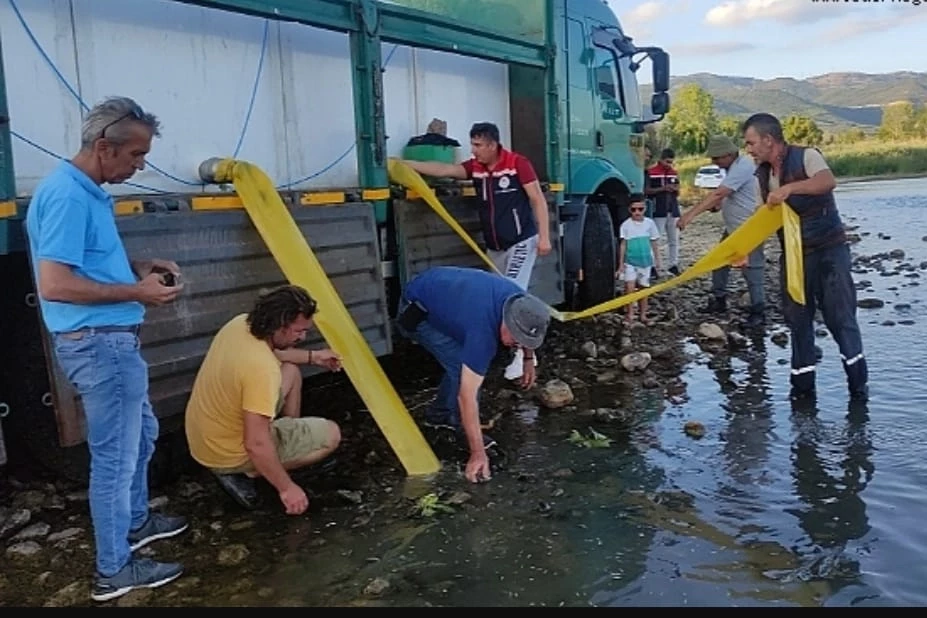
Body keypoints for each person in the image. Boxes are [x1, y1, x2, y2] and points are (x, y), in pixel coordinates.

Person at [25, 96, 188, 602]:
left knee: (143, 435)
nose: (139, 166)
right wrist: (138, 292)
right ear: (103, 147)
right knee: (115, 459)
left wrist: (137, 266)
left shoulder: (86, 191)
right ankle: (113, 570)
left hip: (111, 343)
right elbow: (55, 284)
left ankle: (136, 521)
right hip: (100, 346)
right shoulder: (69, 196)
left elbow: (84, 263)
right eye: (136, 155)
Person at [399, 122, 551, 381]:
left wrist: (544, 237)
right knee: (497, 297)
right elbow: (445, 170)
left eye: (478, 145)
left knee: (512, 295)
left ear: (492, 145)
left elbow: (537, 198)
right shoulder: (476, 168)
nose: (474, 150)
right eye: (472, 144)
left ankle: (525, 357)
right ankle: (502, 347)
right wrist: (407, 165)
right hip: (494, 247)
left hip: (521, 242)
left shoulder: (517, 164)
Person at [742, 112, 868, 402]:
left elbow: (827, 181)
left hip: (829, 250)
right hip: (794, 256)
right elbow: (761, 220)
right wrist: (745, 252)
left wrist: (789, 189)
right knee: (797, 320)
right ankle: (802, 391)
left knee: (840, 318)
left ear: (768, 140)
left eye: (751, 143)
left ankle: (858, 390)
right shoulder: (761, 176)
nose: (748, 149)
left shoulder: (807, 156)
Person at [185, 285, 343, 515]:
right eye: (299, 331)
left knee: (291, 371)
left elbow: (276, 353)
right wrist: (287, 488)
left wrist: (314, 357)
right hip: (229, 453)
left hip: (204, 439)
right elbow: (255, 443)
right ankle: (250, 472)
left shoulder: (239, 325)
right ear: (279, 324)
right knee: (332, 434)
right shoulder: (262, 370)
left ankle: (283, 440)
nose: (303, 337)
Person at [395, 266, 551, 483]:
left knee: (478, 361)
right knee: (461, 369)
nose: (517, 344)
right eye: (515, 339)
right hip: (415, 310)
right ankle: (452, 424)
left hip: (448, 297)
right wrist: (478, 453)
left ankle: (438, 415)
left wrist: (527, 359)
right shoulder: (482, 331)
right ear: (506, 320)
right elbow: (466, 395)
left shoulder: (521, 303)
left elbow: (527, 332)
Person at [677, 135, 766, 327]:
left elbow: (719, 192)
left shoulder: (744, 165)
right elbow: (731, 194)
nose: (714, 162)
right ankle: (719, 300)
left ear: (729, 154)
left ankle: (758, 311)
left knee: (752, 269)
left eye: (717, 158)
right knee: (719, 262)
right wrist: (719, 206)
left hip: (749, 229)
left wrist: (689, 215)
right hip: (733, 229)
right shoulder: (733, 168)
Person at [617, 194, 661, 326]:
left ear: (645, 208)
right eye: (634, 209)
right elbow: (623, 245)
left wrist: (657, 260)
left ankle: (643, 315)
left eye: (640, 209)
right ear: (629, 210)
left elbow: (654, 242)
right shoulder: (626, 225)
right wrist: (620, 264)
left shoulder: (650, 223)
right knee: (629, 287)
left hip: (646, 261)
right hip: (630, 261)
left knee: (644, 288)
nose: (637, 212)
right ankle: (630, 314)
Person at [646, 148, 681, 277]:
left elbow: (678, 191)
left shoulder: (674, 173)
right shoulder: (651, 172)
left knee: (674, 239)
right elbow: (646, 190)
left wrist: (676, 189)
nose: (669, 165)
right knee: (655, 238)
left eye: (671, 162)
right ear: (661, 159)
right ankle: (652, 266)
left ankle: (673, 264)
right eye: (667, 161)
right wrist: (663, 189)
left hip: (672, 209)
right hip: (658, 210)